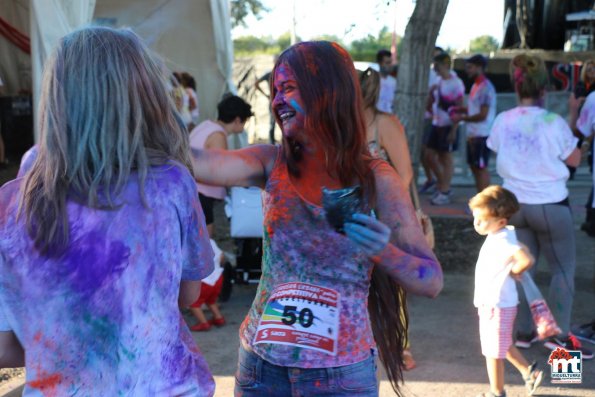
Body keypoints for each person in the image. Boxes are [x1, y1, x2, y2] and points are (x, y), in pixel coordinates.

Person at [191, 41, 443, 396]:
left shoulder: (375, 178)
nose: (277, 100)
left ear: (327, 93)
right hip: (261, 368)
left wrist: (383, 251)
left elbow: (431, 281)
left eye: (289, 88)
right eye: (276, 91)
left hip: (339, 376)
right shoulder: (270, 162)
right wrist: (143, 109)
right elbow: (199, 164)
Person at [0, 27, 216, 396]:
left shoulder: (12, 204)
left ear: (55, 98)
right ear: (144, 95)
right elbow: (187, 295)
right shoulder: (171, 184)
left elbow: (6, 349)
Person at [487, 53, 593, 359]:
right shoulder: (554, 122)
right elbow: (574, 160)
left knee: (522, 270)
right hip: (550, 205)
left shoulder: (503, 120)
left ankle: (522, 333)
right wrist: (577, 128)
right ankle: (558, 336)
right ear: (544, 89)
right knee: (562, 271)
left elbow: (495, 150)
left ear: (516, 86)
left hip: (513, 207)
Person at [359, 66, 416, 370]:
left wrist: (386, 211)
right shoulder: (342, 123)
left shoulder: (385, 123)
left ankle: (400, 345)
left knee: (393, 283)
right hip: (354, 217)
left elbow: (404, 174)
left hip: (384, 217)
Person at [469, 186, 543, 397]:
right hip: (496, 302)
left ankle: (497, 392)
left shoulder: (501, 240)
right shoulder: (504, 234)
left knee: (493, 352)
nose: (476, 223)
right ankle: (529, 372)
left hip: (496, 304)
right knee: (501, 344)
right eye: (475, 218)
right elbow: (524, 250)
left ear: (500, 222)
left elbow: (526, 258)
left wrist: (516, 271)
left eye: (481, 220)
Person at [189, 95, 253, 237]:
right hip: (200, 194)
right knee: (205, 240)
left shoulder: (206, 125)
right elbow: (220, 172)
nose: (244, 126)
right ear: (237, 120)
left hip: (191, 188)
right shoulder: (218, 135)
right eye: (245, 121)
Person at [359, 67, 413, 189]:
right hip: (357, 204)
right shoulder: (347, 124)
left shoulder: (385, 123)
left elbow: (405, 175)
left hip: (383, 203)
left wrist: (391, 205)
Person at [451, 54, 497, 192]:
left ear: (480, 68)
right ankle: (481, 199)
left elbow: (483, 115)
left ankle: (486, 203)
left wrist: (461, 118)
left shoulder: (485, 87)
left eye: (470, 67)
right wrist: (462, 110)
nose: (467, 70)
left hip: (482, 134)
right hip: (474, 134)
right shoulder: (476, 86)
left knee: (481, 169)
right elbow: (475, 109)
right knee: (475, 168)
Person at [426, 52, 465, 205]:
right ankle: (442, 185)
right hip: (437, 123)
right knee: (429, 155)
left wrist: (454, 130)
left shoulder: (456, 83)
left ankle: (445, 190)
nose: (434, 69)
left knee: (446, 158)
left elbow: (459, 107)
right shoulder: (438, 80)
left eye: (437, 66)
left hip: (449, 124)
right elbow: (432, 102)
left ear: (445, 65)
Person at [419, 46, 445, 195]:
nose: (436, 62)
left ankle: (442, 186)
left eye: (439, 58)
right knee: (424, 153)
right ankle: (433, 180)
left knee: (435, 155)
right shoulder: (428, 72)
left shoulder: (447, 77)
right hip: (427, 118)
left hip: (438, 120)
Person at [189, 239, 227, 332]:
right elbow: (222, 256)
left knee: (193, 303)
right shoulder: (210, 240)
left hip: (204, 280)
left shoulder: (190, 243)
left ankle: (203, 323)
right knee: (210, 300)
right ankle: (219, 318)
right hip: (217, 277)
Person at [375, 49, 397, 113]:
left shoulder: (394, 81)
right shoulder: (372, 81)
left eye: (390, 62)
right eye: (387, 63)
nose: (390, 65)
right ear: (379, 63)